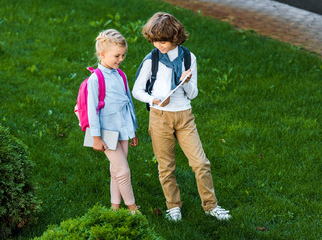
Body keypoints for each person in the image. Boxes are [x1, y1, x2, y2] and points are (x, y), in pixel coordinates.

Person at [132, 12, 231, 221]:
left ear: (175, 37)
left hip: (184, 117)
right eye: (155, 40)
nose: (159, 45)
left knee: (201, 163)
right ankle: (173, 205)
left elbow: (193, 93)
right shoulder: (152, 60)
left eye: (164, 41)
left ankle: (211, 205)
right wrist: (152, 100)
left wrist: (186, 80)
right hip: (160, 117)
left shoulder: (188, 58)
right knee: (166, 166)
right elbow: (137, 90)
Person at [87, 29, 139, 213]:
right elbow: (92, 111)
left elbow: (129, 103)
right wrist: (95, 137)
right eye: (117, 55)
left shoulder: (121, 75)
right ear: (102, 54)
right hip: (106, 132)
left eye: (123, 55)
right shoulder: (96, 79)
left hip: (123, 128)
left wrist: (132, 130)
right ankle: (133, 209)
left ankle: (114, 208)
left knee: (116, 171)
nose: (121, 59)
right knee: (123, 171)